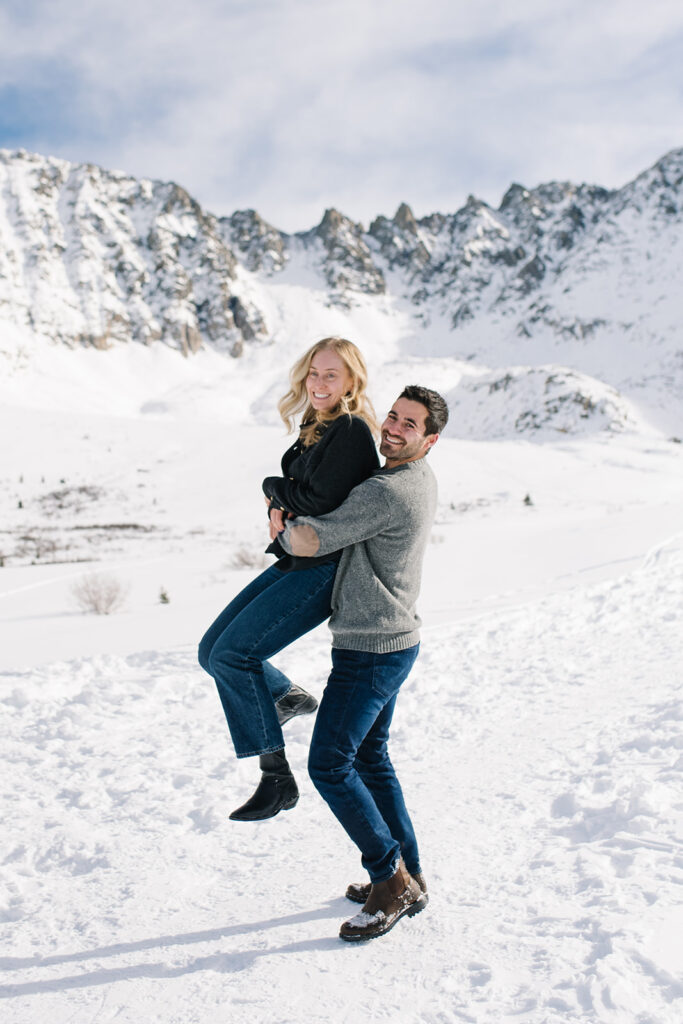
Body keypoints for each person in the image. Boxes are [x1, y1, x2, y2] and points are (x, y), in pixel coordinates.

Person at [277, 385, 449, 942]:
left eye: (409, 425)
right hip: (393, 640)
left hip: (371, 650)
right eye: (393, 417)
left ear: (430, 440)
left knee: (330, 764)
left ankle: (389, 879)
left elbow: (311, 540)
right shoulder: (415, 480)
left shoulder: (387, 491)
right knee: (370, 758)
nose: (394, 429)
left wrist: (279, 516)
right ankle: (411, 873)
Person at [198, 338, 379, 822]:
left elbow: (318, 500)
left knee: (235, 656)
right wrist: (283, 503)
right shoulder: (318, 427)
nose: (319, 383)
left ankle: (276, 779)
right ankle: (284, 695)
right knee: (210, 651)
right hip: (296, 558)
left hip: (325, 568)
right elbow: (305, 496)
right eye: (314, 373)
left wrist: (273, 492)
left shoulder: (352, 430)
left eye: (331, 375)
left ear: (351, 382)